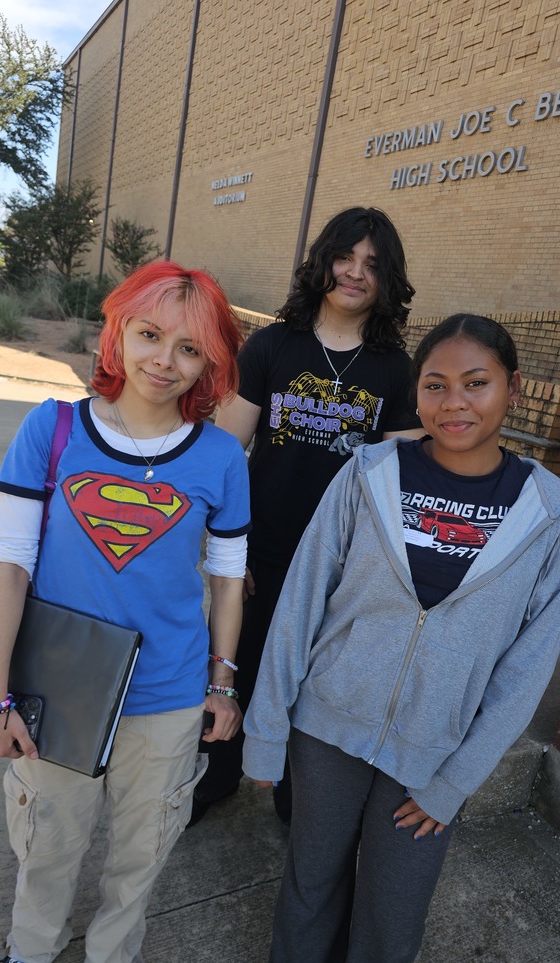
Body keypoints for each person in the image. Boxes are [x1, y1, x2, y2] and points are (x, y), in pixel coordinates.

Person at [242, 313, 560, 963]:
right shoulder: (369, 474)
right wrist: (268, 728)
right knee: (312, 881)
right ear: (416, 396)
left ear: (513, 389)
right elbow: (301, 603)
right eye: (435, 385)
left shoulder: (547, 512)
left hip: (431, 754)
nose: (454, 402)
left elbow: (527, 667)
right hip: (327, 727)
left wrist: (455, 781)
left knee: (393, 914)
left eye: (476, 383)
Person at [0, 261, 250, 963]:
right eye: (150, 333)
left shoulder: (221, 456)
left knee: (143, 844)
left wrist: (222, 683)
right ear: (119, 331)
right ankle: (29, 945)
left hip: (165, 690)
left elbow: (228, 579)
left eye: (189, 348)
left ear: (211, 363)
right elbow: (8, 568)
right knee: (49, 833)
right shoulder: (53, 429)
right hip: (60, 688)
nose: (165, 360)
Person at [190, 206, 423, 826]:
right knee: (237, 663)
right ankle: (214, 777)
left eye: (372, 264)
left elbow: (400, 481)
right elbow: (225, 459)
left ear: (389, 278)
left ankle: (296, 789)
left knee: (314, 682)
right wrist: (226, 555)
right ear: (323, 262)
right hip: (262, 548)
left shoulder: (396, 371)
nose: (355, 273)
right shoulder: (272, 346)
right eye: (345, 257)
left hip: (341, 563)